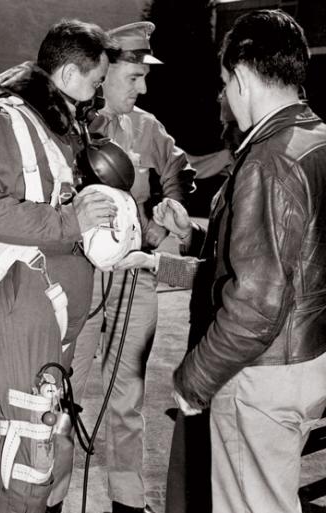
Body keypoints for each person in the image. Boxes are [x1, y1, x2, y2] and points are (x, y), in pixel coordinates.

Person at [149, 10, 326, 513]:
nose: (225, 95)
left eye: (226, 82)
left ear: (244, 76)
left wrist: (193, 380)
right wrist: (196, 235)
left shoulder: (269, 159)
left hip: (262, 372)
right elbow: (296, 248)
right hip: (308, 356)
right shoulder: (316, 139)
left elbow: (255, 305)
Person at [0, 19, 120, 512]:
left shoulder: (59, 132)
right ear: (68, 74)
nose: (98, 91)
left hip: (51, 312)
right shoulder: (4, 122)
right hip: (21, 307)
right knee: (26, 447)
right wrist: (67, 220)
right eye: (95, 80)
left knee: (47, 443)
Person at [47, 22, 195, 513]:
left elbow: (179, 174)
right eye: (134, 76)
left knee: (128, 394)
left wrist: (159, 223)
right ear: (105, 72)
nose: (143, 87)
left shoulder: (148, 128)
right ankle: (50, 493)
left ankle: (127, 499)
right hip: (80, 278)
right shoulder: (67, 126)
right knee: (64, 391)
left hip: (135, 279)